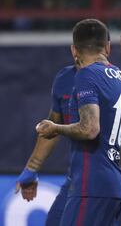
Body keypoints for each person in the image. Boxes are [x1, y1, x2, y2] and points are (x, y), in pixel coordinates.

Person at [27, 18, 121, 225]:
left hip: (91, 186)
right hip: (115, 189)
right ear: (107, 47)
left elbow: (90, 129)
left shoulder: (85, 75)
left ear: (73, 50)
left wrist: (56, 128)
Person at [15, 62, 76, 226]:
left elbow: (91, 129)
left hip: (102, 182)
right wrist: (31, 168)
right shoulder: (67, 78)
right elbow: (53, 125)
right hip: (77, 178)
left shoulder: (113, 81)